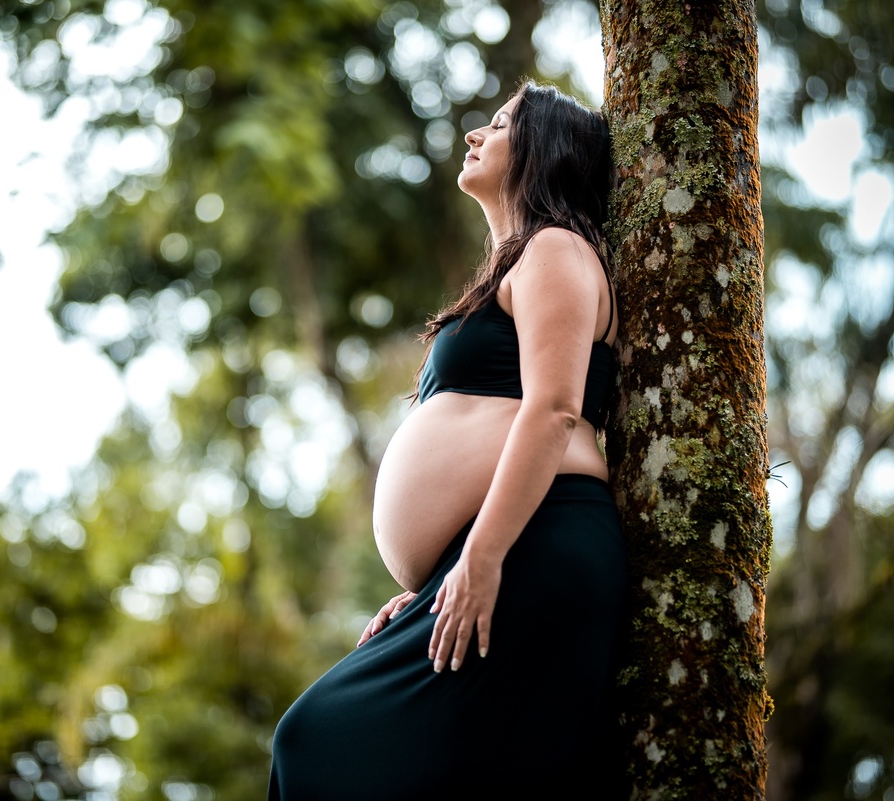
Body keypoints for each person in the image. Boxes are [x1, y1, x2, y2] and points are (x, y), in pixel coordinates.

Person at [267, 80, 627, 800]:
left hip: (534, 546)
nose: (475, 134)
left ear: (545, 149)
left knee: (314, 740)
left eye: (501, 124)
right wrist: (435, 576)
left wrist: (481, 557)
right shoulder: (521, 262)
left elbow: (554, 410)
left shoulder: (556, 248)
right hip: (496, 551)